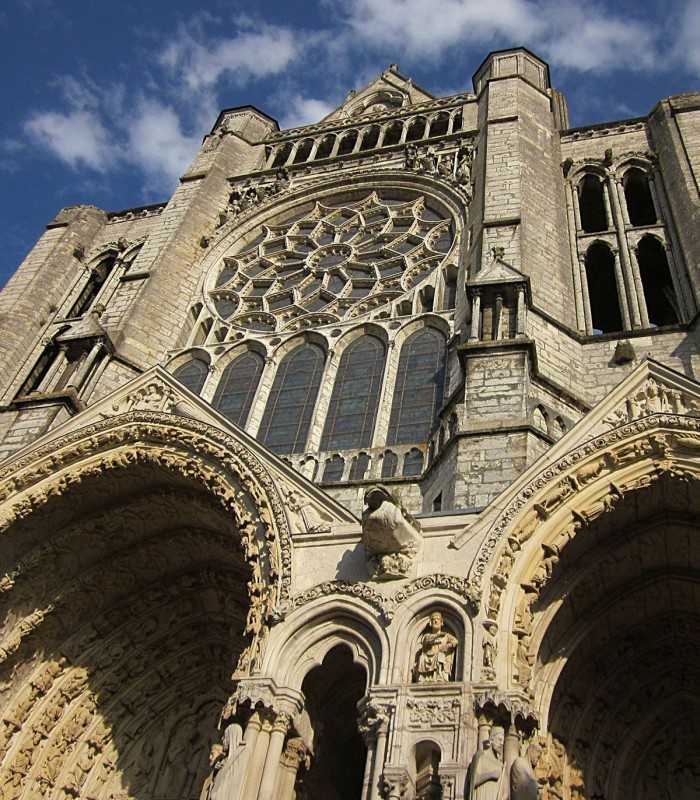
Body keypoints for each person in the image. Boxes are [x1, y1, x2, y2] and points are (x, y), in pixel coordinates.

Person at [413, 611, 458, 682]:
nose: (436, 621)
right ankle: (423, 678)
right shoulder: (427, 635)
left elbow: (455, 641)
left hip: (439, 655)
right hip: (428, 656)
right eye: (434, 619)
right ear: (430, 623)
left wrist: (448, 645)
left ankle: (440, 676)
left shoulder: (446, 635)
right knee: (422, 658)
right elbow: (427, 641)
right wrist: (437, 636)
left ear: (441, 622)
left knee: (440, 656)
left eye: (438, 619)